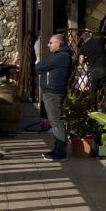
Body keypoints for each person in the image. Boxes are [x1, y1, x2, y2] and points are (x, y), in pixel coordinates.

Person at [35, 33, 73, 161]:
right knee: (55, 121)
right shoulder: (60, 56)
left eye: (51, 43)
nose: (48, 45)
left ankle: (61, 152)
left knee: (57, 122)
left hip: (54, 93)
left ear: (59, 44)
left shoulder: (61, 56)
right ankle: (57, 149)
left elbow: (39, 67)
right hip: (52, 92)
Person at [78, 30, 106, 102]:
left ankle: (91, 104)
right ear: (91, 36)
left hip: (93, 69)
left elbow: (81, 60)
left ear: (83, 39)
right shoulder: (99, 40)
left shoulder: (83, 47)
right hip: (103, 67)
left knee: (93, 88)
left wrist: (88, 58)